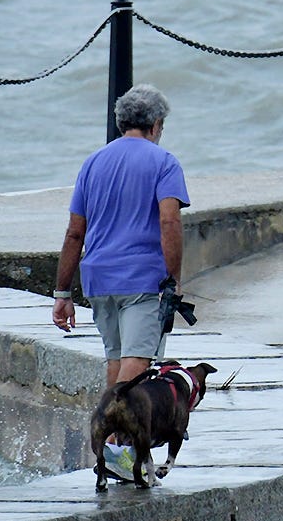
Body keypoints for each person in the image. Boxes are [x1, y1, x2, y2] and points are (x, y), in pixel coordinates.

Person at [55, 89, 191, 455]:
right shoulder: (164, 162)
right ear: (157, 124)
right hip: (143, 279)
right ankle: (115, 447)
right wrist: (174, 278)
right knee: (138, 360)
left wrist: (63, 293)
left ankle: (111, 446)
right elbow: (169, 220)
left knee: (116, 362)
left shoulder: (93, 163)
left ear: (121, 122)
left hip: (98, 279)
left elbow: (74, 232)